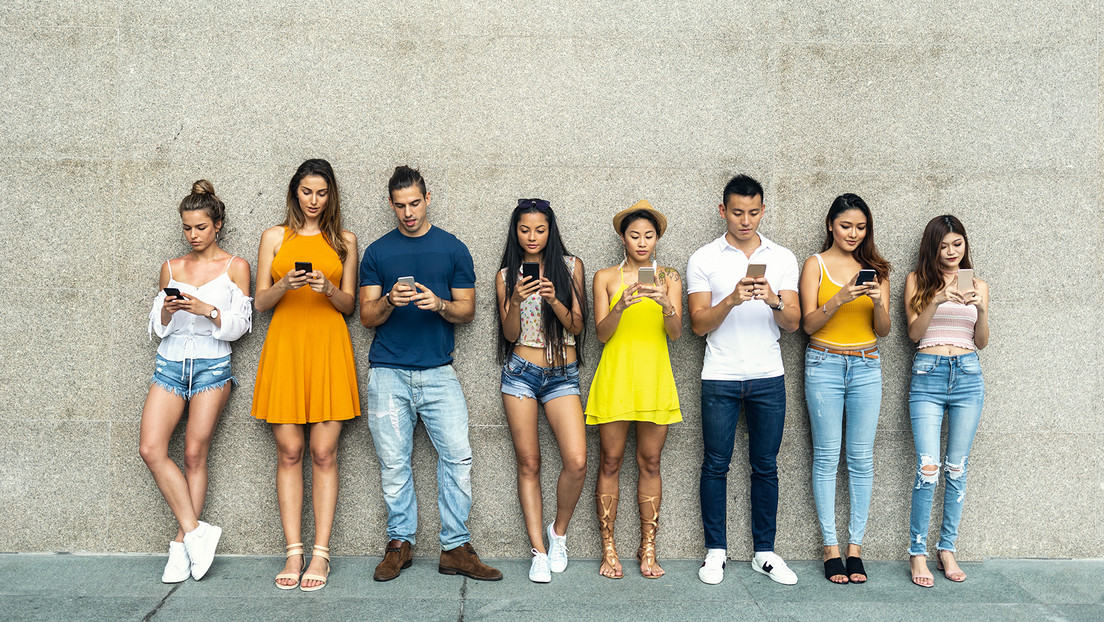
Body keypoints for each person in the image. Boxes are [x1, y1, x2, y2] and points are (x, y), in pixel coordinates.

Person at [359, 165, 502, 583]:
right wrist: (389, 299)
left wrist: (438, 304)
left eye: (415, 203)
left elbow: (468, 310)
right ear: (391, 204)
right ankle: (399, 544)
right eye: (400, 205)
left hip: (439, 373)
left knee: (458, 458)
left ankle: (455, 547)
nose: (408, 212)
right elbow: (367, 316)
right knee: (393, 463)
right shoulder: (377, 252)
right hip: (387, 372)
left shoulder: (453, 248)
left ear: (428, 198)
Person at [251, 159, 361, 592]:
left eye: (321, 193)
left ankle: (321, 553)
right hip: (286, 347)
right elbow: (260, 301)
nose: (313, 201)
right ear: (295, 192)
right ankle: (293, 550)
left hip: (328, 347)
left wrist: (328, 289)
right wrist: (286, 286)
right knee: (290, 451)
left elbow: (350, 304)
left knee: (324, 452)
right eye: (306, 192)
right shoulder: (273, 236)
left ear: (331, 195)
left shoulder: (345, 241)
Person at [687, 174, 801, 586]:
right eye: (737, 212)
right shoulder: (704, 258)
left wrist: (773, 299)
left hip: (768, 375)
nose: (745, 220)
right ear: (723, 211)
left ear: (763, 211)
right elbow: (698, 325)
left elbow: (793, 323)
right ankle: (715, 551)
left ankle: (764, 553)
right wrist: (732, 299)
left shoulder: (783, 257)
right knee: (716, 465)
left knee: (765, 466)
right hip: (719, 375)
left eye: (753, 212)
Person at [140, 179, 252, 583]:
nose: (193, 235)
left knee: (193, 454)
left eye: (200, 227)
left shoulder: (235, 266)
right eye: (187, 227)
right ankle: (193, 533)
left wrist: (209, 310)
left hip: (212, 368)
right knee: (151, 448)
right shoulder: (171, 268)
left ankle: (179, 548)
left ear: (217, 224)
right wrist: (168, 311)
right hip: (169, 366)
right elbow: (158, 328)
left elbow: (241, 327)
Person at [586, 200, 682, 580]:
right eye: (634, 235)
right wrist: (621, 305)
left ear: (657, 239)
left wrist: (666, 306)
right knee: (610, 461)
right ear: (623, 238)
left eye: (648, 235)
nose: (642, 242)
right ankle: (608, 548)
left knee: (651, 462)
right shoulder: (605, 277)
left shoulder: (669, 277)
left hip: (654, 376)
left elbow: (675, 334)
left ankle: (648, 548)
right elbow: (601, 334)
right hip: (616, 376)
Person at [798, 194, 891, 584]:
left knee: (861, 459)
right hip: (824, 363)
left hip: (867, 365)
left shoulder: (877, 269)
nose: (853, 233)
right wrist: (838, 299)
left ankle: (856, 548)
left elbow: (883, 331)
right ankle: (830, 547)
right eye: (846, 225)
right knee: (825, 456)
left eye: (861, 227)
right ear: (830, 226)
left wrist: (877, 302)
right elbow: (807, 325)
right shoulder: (815, 265)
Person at [495, 198, 588, 583]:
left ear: (550, 230)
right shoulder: (505, 275)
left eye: (540, 229)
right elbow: (510, 334)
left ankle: (558, 534)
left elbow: (579, 327)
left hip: (562, 373)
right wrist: (515, 300)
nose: (532, 237)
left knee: (577, 461)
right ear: (515, 231)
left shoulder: (571, 266)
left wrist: (554, 299)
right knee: (529, 463)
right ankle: (537, 550)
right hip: (520, 372)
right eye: (524, 229)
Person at [904, 215, 989, 588]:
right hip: (928, 374)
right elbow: (913, 333)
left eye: (958, 244)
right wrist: (936, 300)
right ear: (932, 248)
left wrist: (982, 309)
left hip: (968, 375)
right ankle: (918, 553)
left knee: (957, 468)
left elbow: (981, 341)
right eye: (944, 246)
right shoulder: (917, 281)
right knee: (928, 468)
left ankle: (947, 549)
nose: (952, 252)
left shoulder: (979, 284)